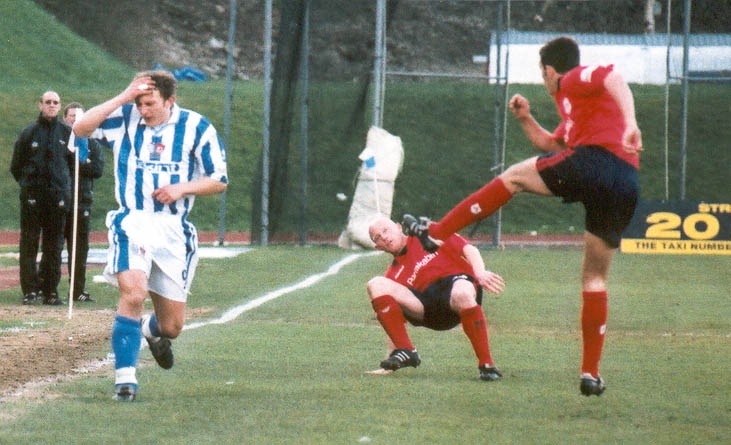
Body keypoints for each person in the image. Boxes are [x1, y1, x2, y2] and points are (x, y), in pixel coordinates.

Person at [403, 36, 642, 396]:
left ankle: (437, 232)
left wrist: (631, 122)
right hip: (625, 182)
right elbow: (551, 145)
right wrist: (525, 118)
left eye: (542, 75)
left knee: (513, 178)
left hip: (597, 162)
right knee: (594, 278)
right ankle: (590, 374)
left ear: (549, 71)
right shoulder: (576, 109)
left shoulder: (574, 78)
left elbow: (614, 79)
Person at [73, 70, 228, 401]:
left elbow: (219, 179)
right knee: (133, 293)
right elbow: (81, 127)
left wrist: (181, 187)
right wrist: (123, 96)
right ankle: (125, 380)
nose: (143, 110)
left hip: (174, 230)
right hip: (134, 221)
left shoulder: (196, 127)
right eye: (140, 102)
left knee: (171, 327)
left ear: (170, 101)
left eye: (150, 103)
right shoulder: (125, 117)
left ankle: (147, 329)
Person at [366, 216, 505, 381]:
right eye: (378, 238)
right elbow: (394, 323)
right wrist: (390, 359)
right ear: (377, 247)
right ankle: (407, 351)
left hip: (456, 286)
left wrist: (481, 272)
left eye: (386, 230)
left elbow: (469, 249)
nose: (385, 238)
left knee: (462, 292)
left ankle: (487, 365)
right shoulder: (392, 275)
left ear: (398, 227)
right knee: (376, 284)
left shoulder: (426, 235)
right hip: (430, 310)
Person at [10, 91, 74, 306]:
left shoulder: (67, 133)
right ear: (40, 105)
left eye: (55, 103)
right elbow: (16, 166)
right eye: (48, 102)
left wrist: (64, 188)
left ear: (59, 106)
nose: (52, 106)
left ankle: (50, 291)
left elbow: (74, 166)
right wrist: (28, 187)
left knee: (54, 246)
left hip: (57, 198)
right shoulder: (29, 132)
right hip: (33, 198)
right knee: (29, 243)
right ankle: (29, 290)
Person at [62, 102, 105, 303]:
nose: (75, 119)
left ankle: (77, 289)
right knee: (53, 249)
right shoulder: (62, 142)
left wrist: (81, 161)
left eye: (79, 116)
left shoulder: (91, 144)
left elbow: (97, 169)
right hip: (60, 202)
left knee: (79, 249)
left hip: (82, 202)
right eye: (72, 116)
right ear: (65, 118)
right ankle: (48, 290)